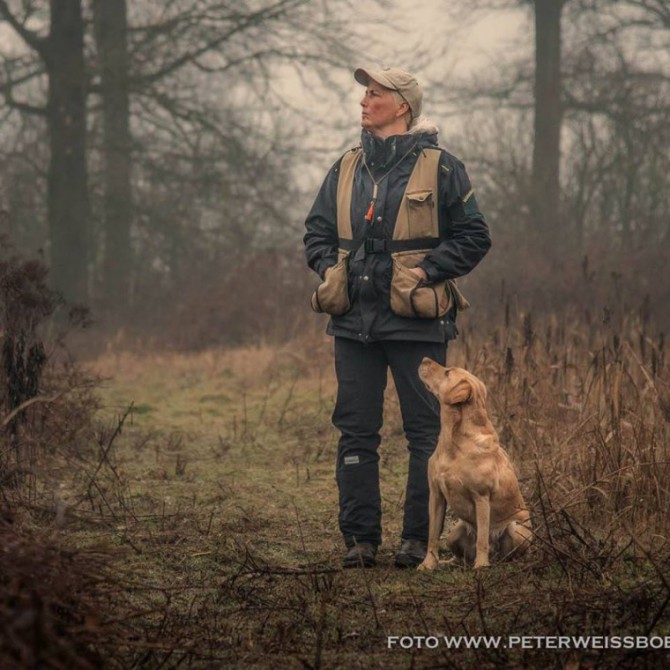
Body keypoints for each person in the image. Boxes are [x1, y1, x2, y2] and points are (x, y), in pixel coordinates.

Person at [303, 66, 491, 568]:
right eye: (364, 93)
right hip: (352, 323)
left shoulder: (443, 167)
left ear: (402, 105)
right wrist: (328, 269)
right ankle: (359, 543)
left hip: (416, 325)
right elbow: (316, 234)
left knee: (425, 433)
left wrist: (428, 271)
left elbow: (475, 237)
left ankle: (416, 541)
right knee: (355, 431)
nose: (364, 101)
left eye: (375, 93)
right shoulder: (344, 167)